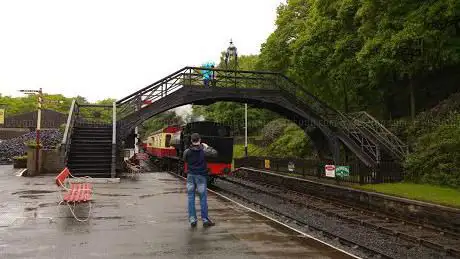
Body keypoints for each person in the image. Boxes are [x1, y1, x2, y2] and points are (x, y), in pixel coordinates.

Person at [183, 133, 217, 227]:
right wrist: (207, 147)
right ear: (200, 140)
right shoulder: (204, 151)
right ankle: (205, 220)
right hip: (201, 176)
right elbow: (215, 154)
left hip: (190, 176)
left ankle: (193, 219)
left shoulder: (187, 151)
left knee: (191, 198)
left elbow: (185, 160)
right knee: (203, 198)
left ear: (191, 140)